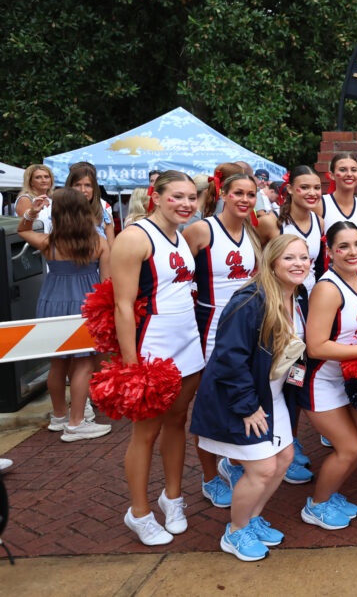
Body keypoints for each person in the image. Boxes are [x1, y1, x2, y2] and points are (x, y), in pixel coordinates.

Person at [191, 235, 310, 560]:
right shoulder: (250, 300)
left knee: (283, 460)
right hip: (243, 399)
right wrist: (247, 407)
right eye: (289, 258)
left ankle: (252, 519)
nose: (298, 263)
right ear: (272, 262)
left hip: (273, 395)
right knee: (261, 468)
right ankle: (236, 531)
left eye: (304, 257)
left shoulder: (298, 297)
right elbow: (229, 359)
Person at [111, 170, 204, 546]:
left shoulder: (180, 236)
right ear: (156, 195)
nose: (185, 204)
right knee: (145, 434)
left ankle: (173, 498)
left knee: (178, 422)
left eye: (191, 197)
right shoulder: (134, 238)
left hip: (187, 343)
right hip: (152, 346)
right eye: (176, 196)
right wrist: (131, 366)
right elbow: (121, 305)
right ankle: (139, 513)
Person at [183, 173, 262, 508]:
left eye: (251, 194)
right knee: (209, 406)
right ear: (224, 195)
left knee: (243, 394)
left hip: (244, 327)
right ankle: (209, 477)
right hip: (209, 326)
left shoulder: (252, 233)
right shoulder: (202, 230)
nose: (244, 199)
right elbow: (178, 276)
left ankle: (231, 461)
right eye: (238, 193)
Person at [18, 189, 112, 441]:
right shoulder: (99, 242)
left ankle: (59, 416)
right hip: (86, 304)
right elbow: (106, 282)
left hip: (51, 303)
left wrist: (31, 212)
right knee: (83, 363)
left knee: (57, 363)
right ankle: (76, 422)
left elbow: (22, 231)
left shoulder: (49, 241)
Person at [301, 222, 357, 528]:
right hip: (321, 380)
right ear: (330, 251)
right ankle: (316, 505)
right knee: (349, 447)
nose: (353, 252)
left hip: (349, 378)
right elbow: (316, 346)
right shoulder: (327, 288)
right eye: (343, 246)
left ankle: (330, 493)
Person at [258, 165, 325, 298]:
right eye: (305, 187)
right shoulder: (270, 221)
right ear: (289, 189)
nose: (312, 193)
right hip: (277, 299)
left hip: (310, 299)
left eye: (317, 188)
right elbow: (253, 259)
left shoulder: (319, 222)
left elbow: (316, 266)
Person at [319, 153, 357, 237]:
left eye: (354, 170)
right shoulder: (320, 204)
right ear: (331, 175)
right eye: (343, 170)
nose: (349, 174)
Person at [65, 165, 115, 242]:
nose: (82, 190)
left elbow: (111, 249)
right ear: (70, 187)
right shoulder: (60, 213)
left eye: (88, 185)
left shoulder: (104, 216)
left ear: (94, 188)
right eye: (77, 185)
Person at [15, 164, 54, 230]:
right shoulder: (25, 199)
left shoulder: (51, 200)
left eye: (46, 177)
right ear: (30, 182)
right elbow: (24, 227)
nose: (44, 180)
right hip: (34, 239)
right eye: (38, 177)